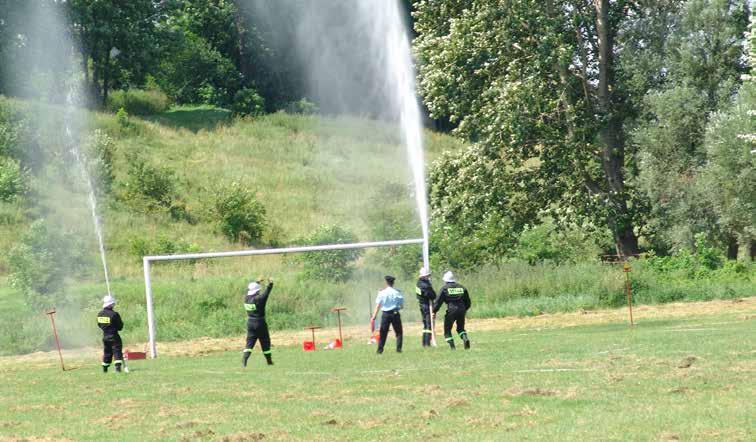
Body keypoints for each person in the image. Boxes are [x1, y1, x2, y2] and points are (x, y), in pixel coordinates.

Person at [433, 271, 471, 350]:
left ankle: (453, 348)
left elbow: (438, 302)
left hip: (451, 309)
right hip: (462, 309)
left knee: (447, 330)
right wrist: (464, 310)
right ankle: (465, 338)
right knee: (460, 328)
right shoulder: (462, 287)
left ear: (445, 280)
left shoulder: (444, 289)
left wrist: (434, 311)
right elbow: (468, 302)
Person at [243, 276, 275, 367]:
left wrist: (257, 282)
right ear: (257, 291)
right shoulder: (259, 299)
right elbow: (267, 293)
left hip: (250, 322)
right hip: (260, 323)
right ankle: (269, 361)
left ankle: (244, 360)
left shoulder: (246, 298)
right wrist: (271, 284)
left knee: (250, 342)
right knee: (265, 341)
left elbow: (248, 289)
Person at [371, 275, 404, 354]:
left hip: (385, 314)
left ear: (386, 282)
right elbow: (401, 306)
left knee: (383, 333)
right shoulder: (397, 292)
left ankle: (380, 350)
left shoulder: (382, 292)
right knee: (399, 332)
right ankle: (398, 350)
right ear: (393, 283)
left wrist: (374, 316)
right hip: (395, 313)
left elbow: (378, 305)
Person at [97, 295, 124, 373]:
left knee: (107, 352)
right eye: (113, 304)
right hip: (114, 336)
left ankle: (105, 369)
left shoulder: (100, 314)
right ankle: (118, 369)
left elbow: (99, 325)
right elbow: (120, 327)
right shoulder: (114, 314)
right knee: (117, 351)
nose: (114, 305)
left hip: (105, 336)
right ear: (111, 304)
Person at [416, 267, 437, 347]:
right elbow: (433, 295)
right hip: (426, 305)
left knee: (425, 324)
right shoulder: (425, 285)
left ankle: (424, 343)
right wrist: (430, 288)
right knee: (428, 324)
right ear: (424, 276)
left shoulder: (419, 283)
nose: (428, 277)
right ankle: (427, 343)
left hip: (422, 305)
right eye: (427, 275)